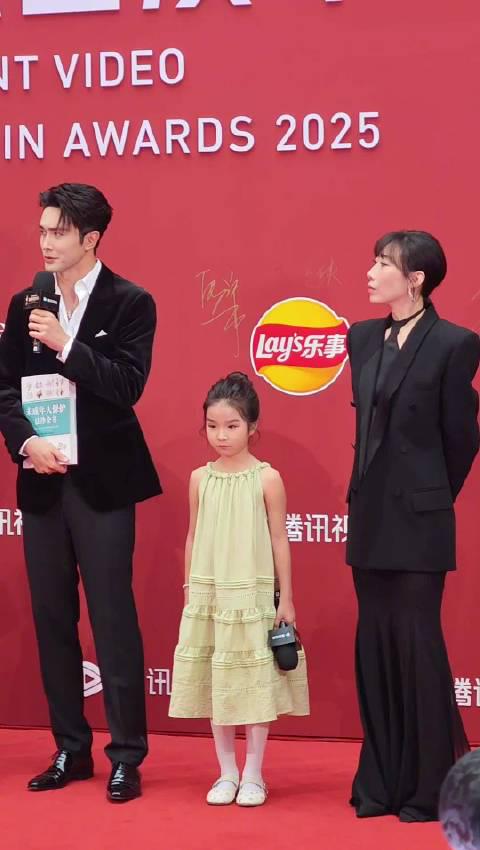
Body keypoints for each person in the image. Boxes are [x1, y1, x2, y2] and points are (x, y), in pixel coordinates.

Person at [0, 183, 161, 802]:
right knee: (52, 618)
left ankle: (127, 754)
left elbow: (127, 385)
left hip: (103, 482)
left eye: (58, 232)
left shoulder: (130, 302)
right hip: (42, 480)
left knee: (112, 617)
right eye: (42, 230)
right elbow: (4, 388)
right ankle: (70, 747)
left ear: (90, 239)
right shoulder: (24, 302)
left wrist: (66, 344)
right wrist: (25, 442)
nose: (45, 242)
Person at [346, 230, 480, 822]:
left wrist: (429, 495)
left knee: (418, 645)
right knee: (374, 645)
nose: (371, 272)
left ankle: (428, 785)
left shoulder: (455, 343)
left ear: (416, 278)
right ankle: (380, 781)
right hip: (369, 519)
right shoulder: (361, 337)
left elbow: (462, 438)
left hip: (420, 523)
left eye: (383, 263)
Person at [168, 372, 309, 807]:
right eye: (213, 426)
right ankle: (226, 771)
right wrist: (191, 589)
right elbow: (193, 535)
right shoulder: (200, 478)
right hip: (209, 593)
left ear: (252, 427)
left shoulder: (267, 478)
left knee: (254, 684)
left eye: (232, 426)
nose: (222, 435)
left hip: (251, 592)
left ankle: (254, 774)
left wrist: (287, 598)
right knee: (219, 681)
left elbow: (280, 539)